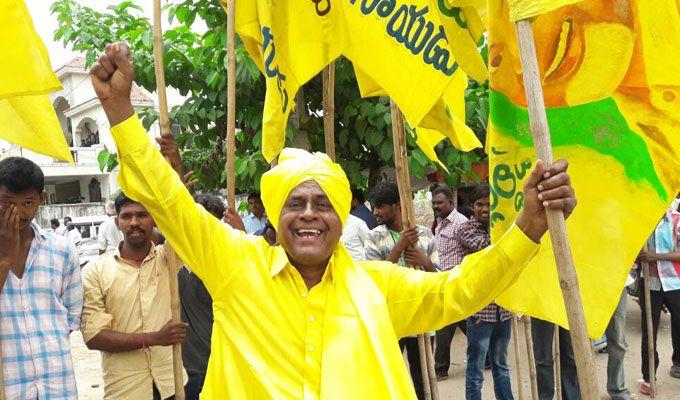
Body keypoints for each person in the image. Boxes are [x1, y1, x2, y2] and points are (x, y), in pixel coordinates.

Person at [89, 41, 577, 399]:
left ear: (342, 219)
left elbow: (462, 288)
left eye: (322, 204)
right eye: (294, 203)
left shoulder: (378, 287)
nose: (308, 214)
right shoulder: (235, 265)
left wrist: (529, 227)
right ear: (274, 217)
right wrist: (119, 111)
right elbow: (170, 202)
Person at [80, 192, 188, 399]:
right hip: (126, 390)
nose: (134, 222)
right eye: (126, 216)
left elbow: (184, 229)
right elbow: (94, 337)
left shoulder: (168, 257)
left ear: (154, 220)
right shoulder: (95, 271)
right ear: (117, 222)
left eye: (142, 215)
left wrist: (173, 192)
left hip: (172, 384)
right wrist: (155, 338)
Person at [0, 157, 83, 399]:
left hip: (56, 383)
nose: (18, 212)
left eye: (28, 202)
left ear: (42, 200)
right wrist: (5, 258)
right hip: (8, 385)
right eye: (6, 203)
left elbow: (71, 315)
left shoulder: (62, 249)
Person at [365, 181, 439, 400]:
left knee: (423, 379)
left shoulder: (424, 235)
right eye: (374, 207)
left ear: (397, 206)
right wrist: (398, 249)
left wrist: (426, 262)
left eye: (380, 206)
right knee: (389, 377)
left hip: (421, 318)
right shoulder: (373, 237)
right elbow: (373, 280)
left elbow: (439, 278)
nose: (376, 212)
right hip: (390, 320)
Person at [456, 184, 513, 400]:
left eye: (490, 204)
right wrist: (502, 229)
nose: (485, 209)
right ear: (472, 206)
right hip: (481, 310)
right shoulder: (466, 230)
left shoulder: (502, 230)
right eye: (480, 204)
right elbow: (491, 251)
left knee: (501, 364)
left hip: (503, 309)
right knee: (476, 368)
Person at [180, 193, 222, 400]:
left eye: (211, 223)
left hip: (221, 366)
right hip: (184, 370)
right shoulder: (170, 257)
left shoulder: (227, 264)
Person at [637, 203, 680, 396]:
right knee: (649, 330)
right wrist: (639, 256)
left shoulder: (676, 220)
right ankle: (648, 377)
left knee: (679, 325)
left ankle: (678, 362)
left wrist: (655, 257)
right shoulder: (642, 221)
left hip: (674, 281)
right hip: (650, 283)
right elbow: (634, 252)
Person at [431, 185, 469, 380]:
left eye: (440, 203)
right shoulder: (439, 223)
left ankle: (440, 369)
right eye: (434, 203)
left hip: (456, 281)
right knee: (465, 322)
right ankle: (486, 357)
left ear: (451, 203)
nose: (436, 206)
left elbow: (470, 251)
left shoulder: (460, 223)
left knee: (444, 324)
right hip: (443, 280)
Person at [604, 289, 634, 400]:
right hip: (590, 281)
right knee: (586, 340)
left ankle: (617, 389)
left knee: (618, 340)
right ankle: (584, 388)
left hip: (617, 283)